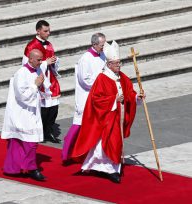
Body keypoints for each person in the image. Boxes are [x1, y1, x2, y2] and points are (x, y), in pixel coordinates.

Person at [71, 41, 145, 183]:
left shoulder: (121, 76)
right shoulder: (102, 78)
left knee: (115, 141)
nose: (119, 65)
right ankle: (109, 170)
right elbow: (96, 99)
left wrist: (136, 97)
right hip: (106, 117)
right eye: (116, 63)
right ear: (109, 64)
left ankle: (109, 167)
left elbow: (129, 91)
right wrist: (114, 99)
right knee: (108, 142)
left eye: (120, 63)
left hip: (119, 116)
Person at [1, 49, 48, 181]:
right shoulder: (21, 73)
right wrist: (36, 85)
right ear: (30, 59)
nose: (41, 62)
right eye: (39, 60)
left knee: (24, 142)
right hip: (22, 113)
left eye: (41, 59)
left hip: (32, 111)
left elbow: (41, 87)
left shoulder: (38, 70)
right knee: (28, 142)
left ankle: (15, 168)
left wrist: (42, 87)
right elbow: (21, 95)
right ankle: (32, 168)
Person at [62, 33, 106, 162]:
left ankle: (85, 153)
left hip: (99, 96)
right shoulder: (85, 58)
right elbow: (84, 79)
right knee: (79, 124)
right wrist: (100, 83)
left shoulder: (103, 55)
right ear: (94, 44)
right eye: (102, 45)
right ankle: (67, 152)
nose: (104, 47)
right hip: (86, 96)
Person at [22, 20, 61, 143]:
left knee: (53, 108)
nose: (48, 33)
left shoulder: (49, 45)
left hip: (50, 78)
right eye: (45, 31)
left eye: (49, 30)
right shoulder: (31, 45)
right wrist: (45, 63)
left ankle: (48, 131)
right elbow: (26, 65)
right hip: (39, 78)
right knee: (43, 109)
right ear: (38, 31)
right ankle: (41, 132)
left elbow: (51, 61)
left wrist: (55, 61)